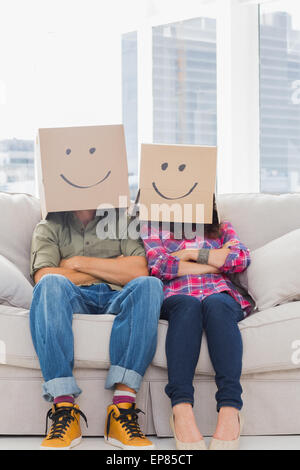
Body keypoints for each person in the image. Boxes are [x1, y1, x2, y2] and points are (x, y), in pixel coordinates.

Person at [30, 208, 163, 450]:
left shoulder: (124, 220)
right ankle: (64, 409)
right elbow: (45, 275)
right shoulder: (48, 225)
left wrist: (77, 263)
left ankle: (122, 411)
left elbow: (138, 271)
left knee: (150, 285)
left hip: (118, 294)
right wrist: (114, 266)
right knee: (50, 284)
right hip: (74, 296)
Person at [141, 199, 251, 450]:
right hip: (177, 298)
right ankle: (181, 410)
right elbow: (160, 266)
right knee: (188, 305)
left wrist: (189, 254)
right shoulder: (153, 228)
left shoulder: (222, 228)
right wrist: (215, 260)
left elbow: (240, 259)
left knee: (215, 304)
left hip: (221, 296)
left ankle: (230, 410)